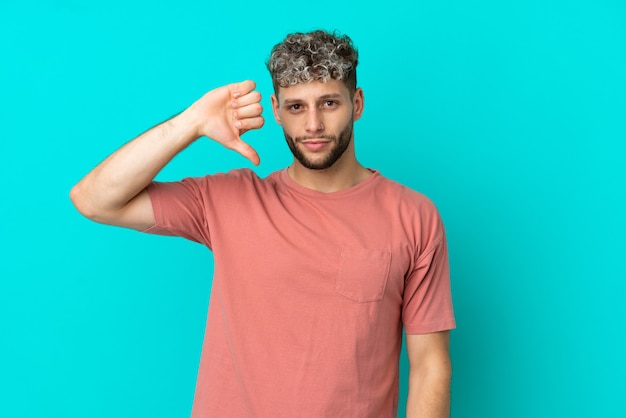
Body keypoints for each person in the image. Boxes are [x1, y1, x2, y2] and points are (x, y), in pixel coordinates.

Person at [70, 29, 455, 418]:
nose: (314, 125)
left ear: (357, 103)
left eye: (329, 103)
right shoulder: (227, 200)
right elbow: (93, 200)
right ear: (275, 109)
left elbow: (429, 366)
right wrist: (191, 123)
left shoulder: (413, 217)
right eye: (296, 107)